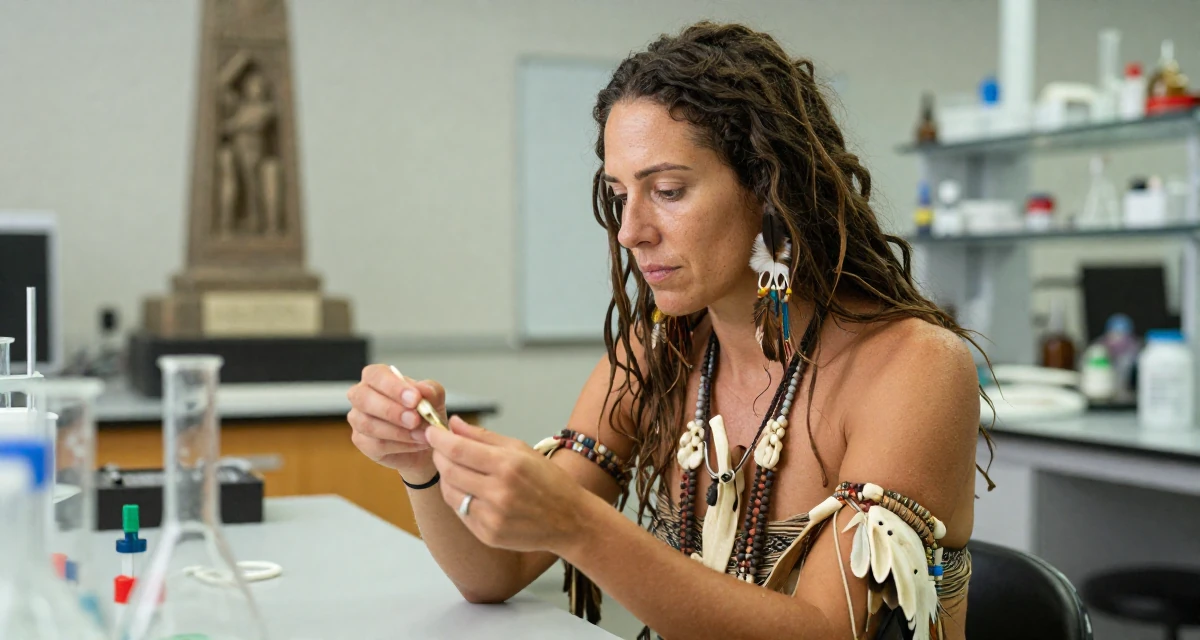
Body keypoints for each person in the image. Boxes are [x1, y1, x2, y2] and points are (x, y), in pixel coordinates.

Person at [347, 21, 989, 640]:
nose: (630, 231)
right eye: (620, 194)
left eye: (670, 190)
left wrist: (580, 525)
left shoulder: (913, 366)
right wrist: (420, 465)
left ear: (771, 190)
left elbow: (825, 630)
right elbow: (496, 572)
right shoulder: (657, 355)